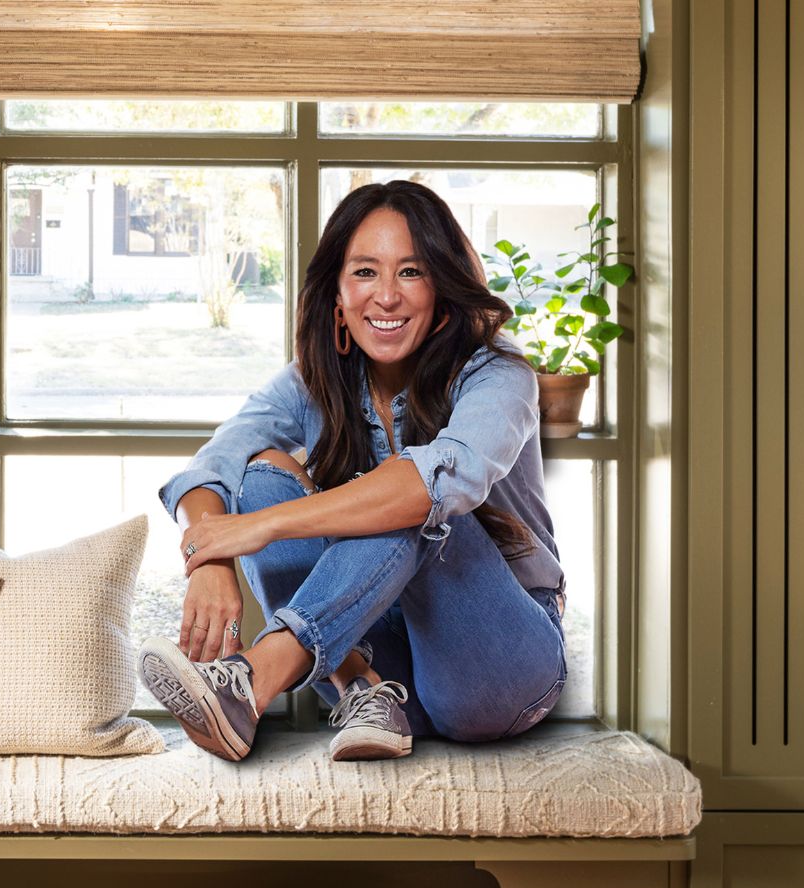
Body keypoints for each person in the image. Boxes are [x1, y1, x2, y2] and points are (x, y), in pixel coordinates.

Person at [139, 180, 568, 763]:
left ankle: (252, 681)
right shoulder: (314, 379)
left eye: (411, 272)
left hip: (496, 665)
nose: (386, 297)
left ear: (443, 288)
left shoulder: (498, 371)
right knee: (259, 476)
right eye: (365, 272)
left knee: (415, 496)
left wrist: (260, 528)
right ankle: (359, 689)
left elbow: (435, 482)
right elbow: (213, 463)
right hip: (387, 677)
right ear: (337, 294)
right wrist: (210, 558)